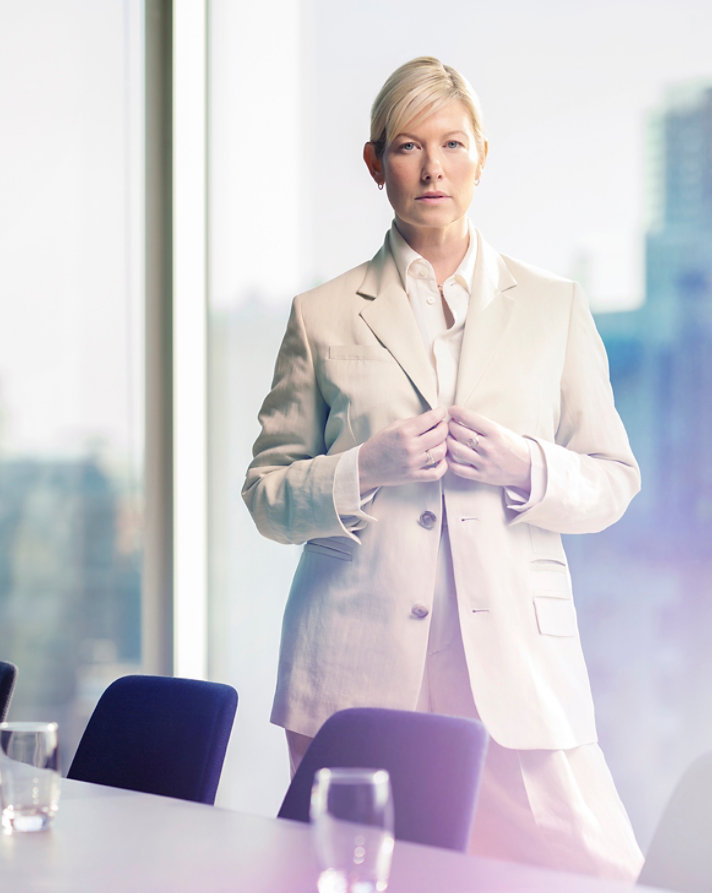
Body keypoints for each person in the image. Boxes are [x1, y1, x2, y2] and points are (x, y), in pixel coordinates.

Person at [241, 56, 643, 879]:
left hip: (519, 667)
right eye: (408, 146)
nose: (432, 168)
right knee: (360, 878)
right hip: (352, 666)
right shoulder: (320, 316)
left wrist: (525, 464)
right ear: (374, 162)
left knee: (600, 869)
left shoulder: (553, 305)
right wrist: (363, 467)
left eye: (453, 144)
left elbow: (612, 477)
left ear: (482, 157)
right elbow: (266, 493)